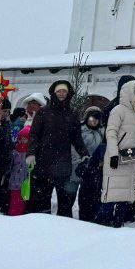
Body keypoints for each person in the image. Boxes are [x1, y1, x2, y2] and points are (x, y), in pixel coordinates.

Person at [26, 79, 88, 216]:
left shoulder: (72, 114)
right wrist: (31, 153)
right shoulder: (43, 112)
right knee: (41, 200)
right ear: (54, 93)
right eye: (59, 91)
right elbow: (34, 135)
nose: (61, 94)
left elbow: (76, 137)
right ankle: (42, 225)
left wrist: (84, 153)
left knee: (65, 201)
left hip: (63, 164)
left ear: (68, 94)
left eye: (64, 91)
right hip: (44, 162)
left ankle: (63, 227)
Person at [100, 78, 135, 227]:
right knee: (112, 190)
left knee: (125, 192)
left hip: (129, 158)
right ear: (130, 95)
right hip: (116, 158)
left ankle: (118, 221)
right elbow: (111, 132)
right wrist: (113, 154)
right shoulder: (118, 110)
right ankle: (103, 221)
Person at [76, 106, 106, 223]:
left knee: (97, 194)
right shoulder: (80, 130)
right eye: (92, 117)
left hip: (98, 168)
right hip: (84, 166)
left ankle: (96, 217)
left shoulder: (102, 132)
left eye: (97, 118)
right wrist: (82, 163)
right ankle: (84, 218)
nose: (94, 121)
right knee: (85, 194)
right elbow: (76, 148)